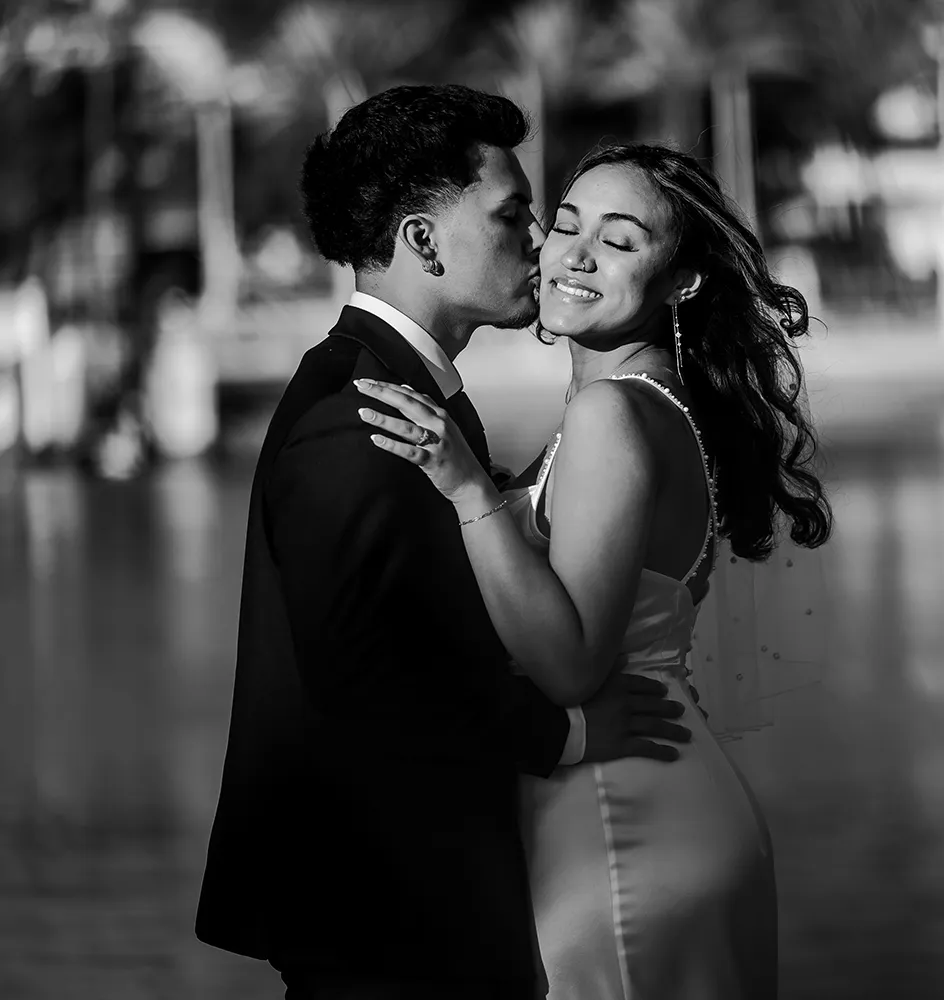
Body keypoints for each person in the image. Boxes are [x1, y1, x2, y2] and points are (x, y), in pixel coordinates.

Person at [194, 86, 694, 1000]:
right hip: (383, 916)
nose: (540, 241)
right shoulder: (356, 414)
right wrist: (567, 735)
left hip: (422, 905)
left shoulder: (404, 393)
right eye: (513, 216)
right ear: (424, 241)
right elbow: (366, 675)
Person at [354, 141, 833, 999]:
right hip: (660, 802)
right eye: (564, 225)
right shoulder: (652, 408)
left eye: (618, 240)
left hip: (623, 820)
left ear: (683, 280)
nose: (572, 254)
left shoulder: (614, 413)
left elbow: (570, 664)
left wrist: (465, 485)